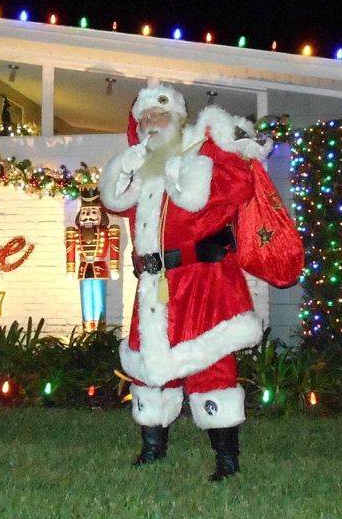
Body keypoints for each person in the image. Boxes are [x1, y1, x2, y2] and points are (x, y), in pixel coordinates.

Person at [99, 85, 269, 481]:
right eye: (143, 120)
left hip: (203, 278)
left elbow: (238, 187)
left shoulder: (201, 150)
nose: (149, 126)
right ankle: (152, 448)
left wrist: (211, 155)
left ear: (178, 119)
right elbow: (113, 199)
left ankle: (227, 460)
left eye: (158, 117)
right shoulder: (143, 164)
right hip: (156, 283)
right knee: (147, 362)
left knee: (211, 365)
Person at [65, 185, 121, 331]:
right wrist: (70, 269)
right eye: (84, 211)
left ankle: (100, 331)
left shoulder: (107, 230)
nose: (88, 214)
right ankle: (87, 329)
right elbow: (70, 250)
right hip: (84, 268)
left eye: (92, 211)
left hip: (99, 267)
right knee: (86, 300)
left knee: (99, 299)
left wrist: (114, 267)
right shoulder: (74, 232)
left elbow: (114, 248)